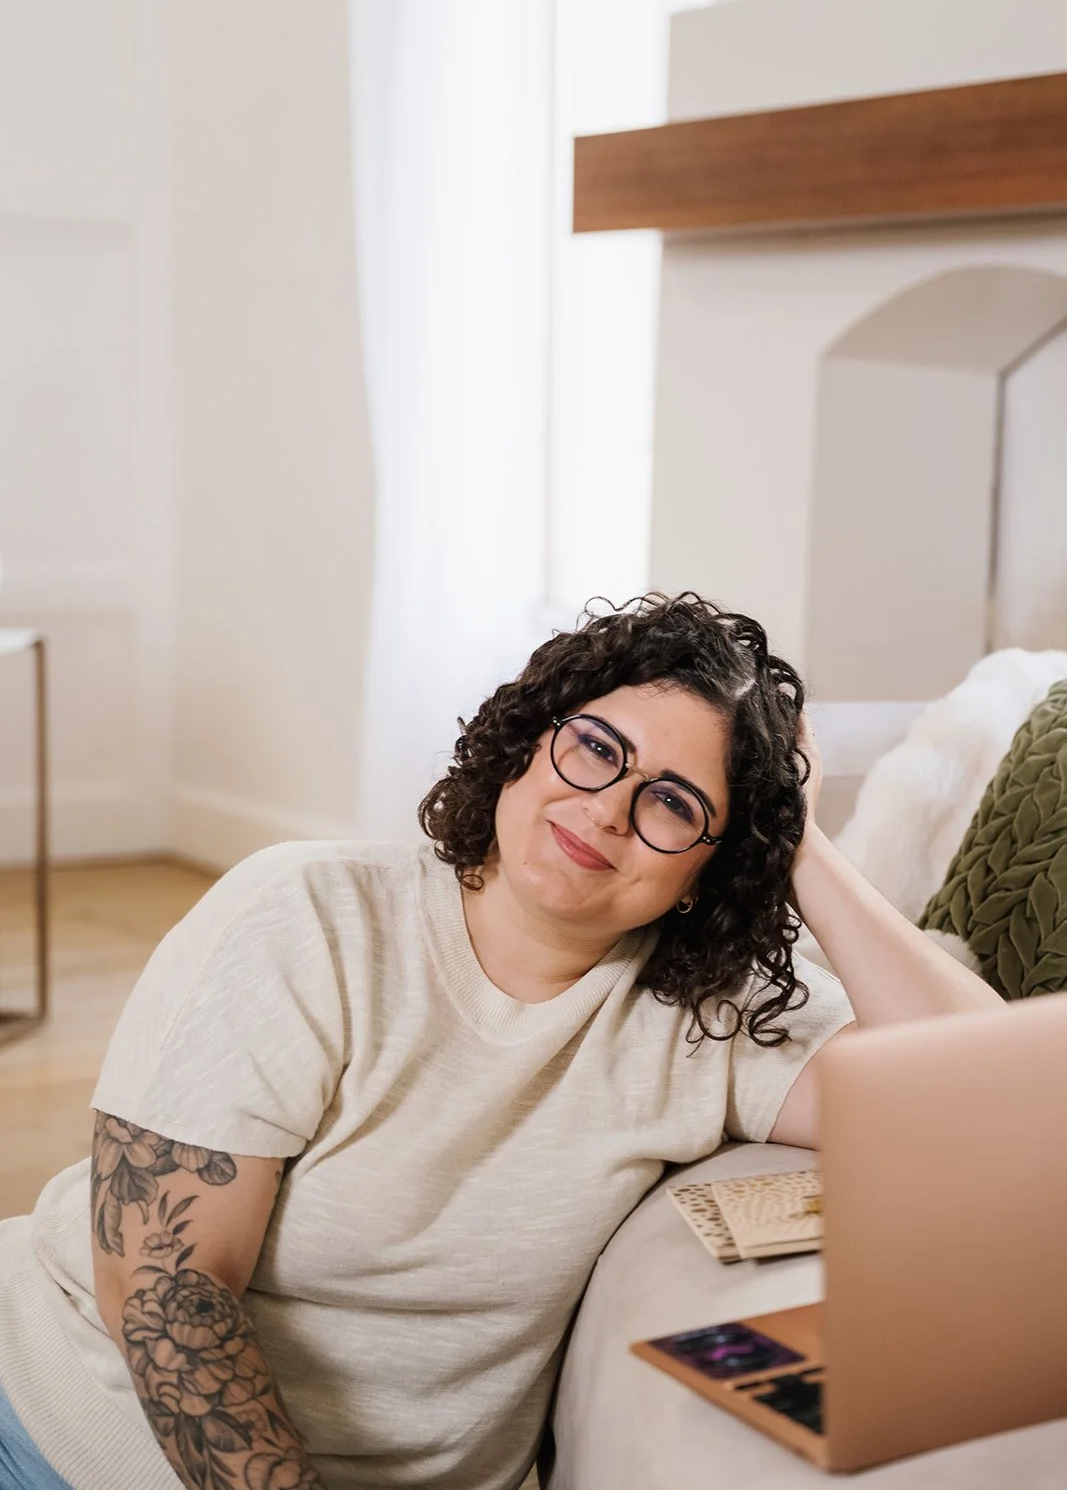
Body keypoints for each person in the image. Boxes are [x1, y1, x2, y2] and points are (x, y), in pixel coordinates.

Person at [0, 594, 1003, 1490]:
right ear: (530, 740)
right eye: (595, 747)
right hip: (54, 1433)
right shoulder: (304, 915)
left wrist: (797, 844)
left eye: (671, 802)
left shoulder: (706, 1022)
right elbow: (167, 1286)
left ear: (706, 868)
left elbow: (998, 1107)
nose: (605, 809)